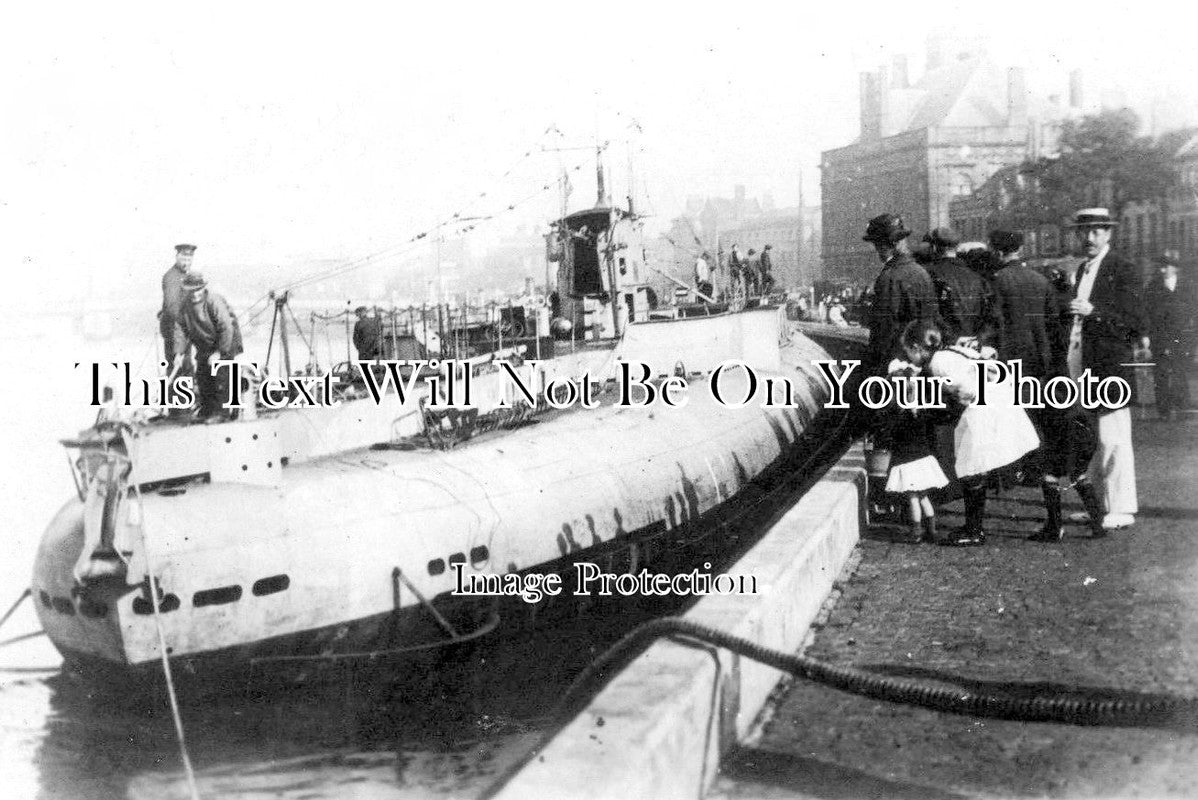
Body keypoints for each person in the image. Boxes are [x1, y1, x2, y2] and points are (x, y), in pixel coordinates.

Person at [903, 321, 1040, 545]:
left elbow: (965, 391)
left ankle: (974, 531)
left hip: (985, 405)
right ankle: (973, 527)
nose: (909, 358)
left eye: (909, 352)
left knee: (971, 468)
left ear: (917, 348)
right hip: (998, 397)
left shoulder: (937, 364)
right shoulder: (950, 351)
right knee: (975, 465)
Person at [1065, 208, 1147, 530]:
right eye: (1084, 231)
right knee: (1093, 438)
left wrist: (1093, 311)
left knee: (1113, 438)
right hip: (1085, 361)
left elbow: (1135, 322)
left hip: (1111, 365)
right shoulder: (1083, 268)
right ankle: (1098, 507)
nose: (1089, 237)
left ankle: (1122, 507)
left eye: (1096, 231)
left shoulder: (1122, 268)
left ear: (1108, 233)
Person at [884, 355, 950, 543]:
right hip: (924, 460)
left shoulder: (898, 415)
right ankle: (932, 530)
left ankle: (916, 531)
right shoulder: (921, 412)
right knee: (923, 497)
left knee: (912, 498)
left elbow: (892, 437)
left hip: (907, 461)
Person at [861, 213, 936, 376]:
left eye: (878, 244)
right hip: (923, 359)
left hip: (897, 365)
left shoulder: (889, 277)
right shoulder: (921, 272)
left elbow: (884, 330)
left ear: (888, 245)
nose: (877, 250)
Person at [179, 271, 244, 421]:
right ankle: (207, 411)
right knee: (202, 375)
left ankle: (222, 413)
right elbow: (180, 329)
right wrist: (178, 352)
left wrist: (219, 353)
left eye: (198, 290)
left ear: (203, 288)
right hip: (204, 345)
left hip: (225, 341)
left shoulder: (214, 301)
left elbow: (226, 327)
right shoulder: (185, 305)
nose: (195, 294)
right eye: (191, 290)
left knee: (221, 375)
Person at [924, 227, 993, 345]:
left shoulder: (929, 274)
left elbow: (930, 312)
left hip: (945, 344)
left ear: (934, 248)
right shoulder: (976, 276)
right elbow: (989, 313)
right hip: (973, 344)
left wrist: (953, 339)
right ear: (956, 248)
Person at [1145, 254, 1194, 419]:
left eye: (1166, 266)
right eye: (1160, 266)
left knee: (1180, 370)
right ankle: (1164, 410)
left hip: (1182, 336)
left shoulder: (1187, 286)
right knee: (1161, 372)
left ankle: (1182, 407)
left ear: (1175, 268)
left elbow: (1193, 310)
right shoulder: (1153, 287)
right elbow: (1148, 313)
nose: (1162, 270)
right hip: (1160, 336)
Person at [159, 244, 196, 399]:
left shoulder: (185, 275)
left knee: (184, 367)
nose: (186, 262)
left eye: (189, 259)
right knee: (179, 367)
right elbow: (172, 308)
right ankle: (179, 407)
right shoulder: (172, 277)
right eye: (183, 258)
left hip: (183, 331)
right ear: (177, 257)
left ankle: (182, 403)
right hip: (175, 331)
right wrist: (188, 322)